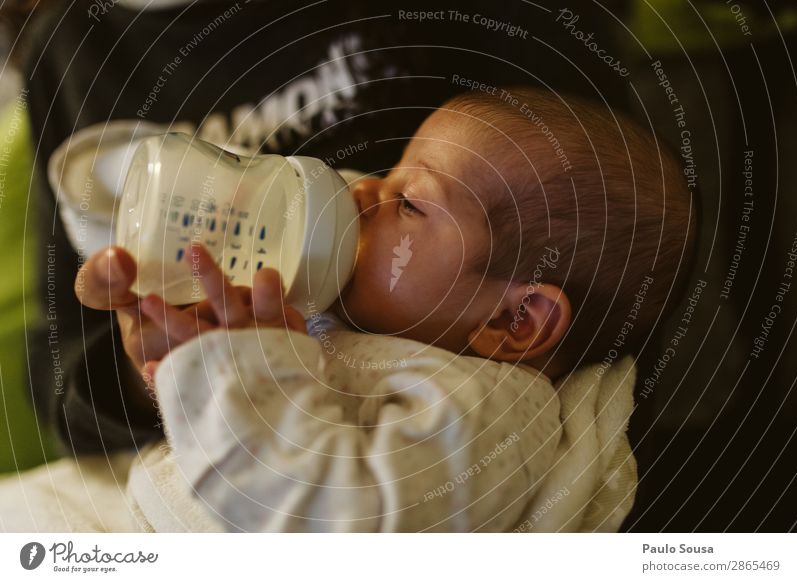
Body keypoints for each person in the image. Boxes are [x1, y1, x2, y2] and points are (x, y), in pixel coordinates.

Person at [0, 0, 633, 456]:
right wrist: (159, 373)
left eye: (407, 201)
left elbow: (611, 236)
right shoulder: (67, 51)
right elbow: (59, 373)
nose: (357, 184)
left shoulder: (458, 423)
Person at [75, 86, 697, 531]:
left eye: (411, 203)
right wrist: (173, 349)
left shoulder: (489, 418)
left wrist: (235, 369)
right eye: (389, 172)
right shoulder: (384, 316)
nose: (364, 188)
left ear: (516, 321)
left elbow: (333, 516)